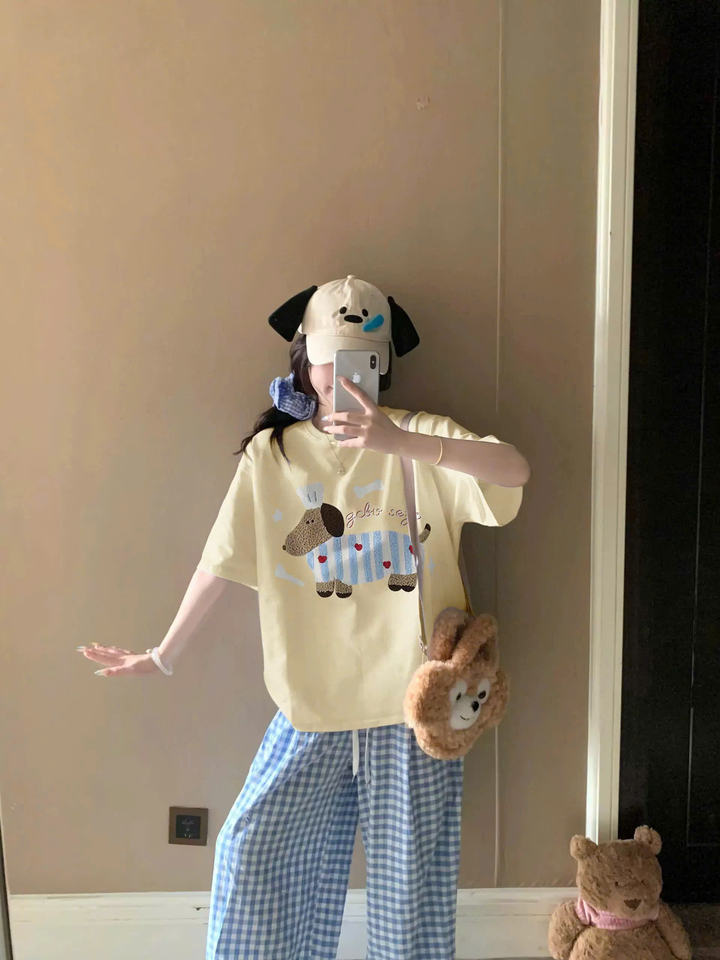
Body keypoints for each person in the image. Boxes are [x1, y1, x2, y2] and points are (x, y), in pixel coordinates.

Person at [78, 275, 530, 960]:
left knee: (410, 903)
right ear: (303, 358)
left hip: (415, 708)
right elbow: (221, 559)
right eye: (328, 359)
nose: (341, 376)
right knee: (250, 851)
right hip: (312, 703)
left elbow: (514, 470)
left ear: (383, 363)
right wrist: (163, 653)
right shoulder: (275, 454)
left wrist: (400, 443)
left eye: (361, 359)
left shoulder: (419, 435)